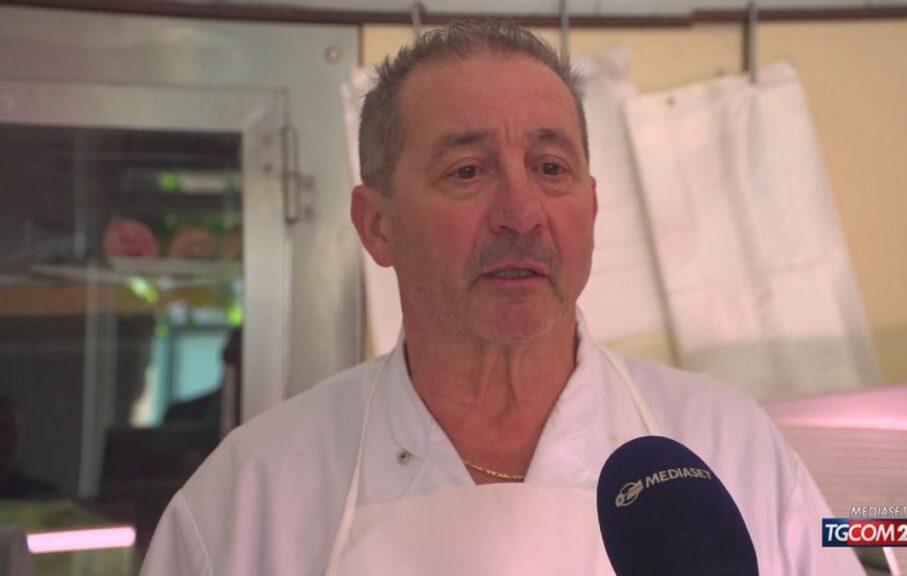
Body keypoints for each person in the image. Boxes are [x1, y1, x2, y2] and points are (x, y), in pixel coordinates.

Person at [142, 20, 865, 575]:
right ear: (378, 225)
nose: (521, 213)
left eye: (550, 167)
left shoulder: (732, 451)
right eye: (467, 171)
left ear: (591, 209)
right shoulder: (249, 500)